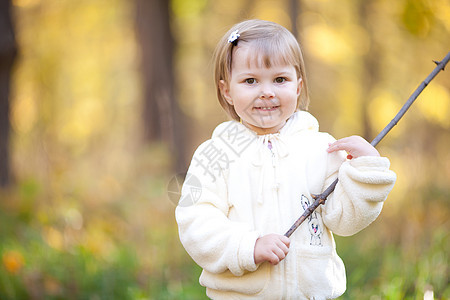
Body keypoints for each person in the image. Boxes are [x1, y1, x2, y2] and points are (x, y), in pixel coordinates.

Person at [175, 19, 396, 299]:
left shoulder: (321, 148)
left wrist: (366, 171)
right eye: (250, 80)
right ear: (227, 91)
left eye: (280, 80)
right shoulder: (215, 155)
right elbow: (196, 221)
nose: (267, 91)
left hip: (311, 293)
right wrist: (248, 246)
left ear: (298, 86)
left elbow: (345, 220)